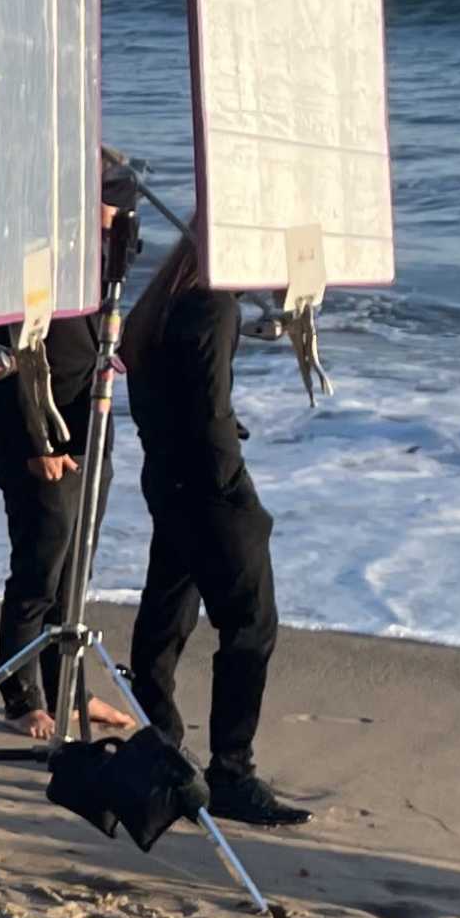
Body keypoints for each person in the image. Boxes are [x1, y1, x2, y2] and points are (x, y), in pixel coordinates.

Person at [118, 227, 309, 826]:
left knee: (169, 607)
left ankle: (159, 738)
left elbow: (174, 398)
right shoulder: (214, 306)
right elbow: (208, 409)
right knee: (251, 625)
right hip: (207, 487)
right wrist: (236, 491)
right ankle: (232, 771)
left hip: (166, 475)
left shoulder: (160, 299)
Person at [0, 159, 144, 738]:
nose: (121, 212)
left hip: (92, 426)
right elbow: (15, 353)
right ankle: (21, 696)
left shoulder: (98, 261)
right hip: (38, 436)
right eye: (113, 199)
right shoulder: (35, 256)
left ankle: (71, 687)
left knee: (77, 570)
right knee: (39, 571)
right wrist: (38, 440)